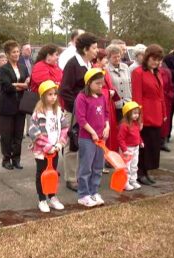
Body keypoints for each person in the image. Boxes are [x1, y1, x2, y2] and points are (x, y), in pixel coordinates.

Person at [60, 32, 98, 191]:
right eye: (94, 48)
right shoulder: (72, 64)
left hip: (88, 112)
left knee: (85, 144)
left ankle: (83, 175)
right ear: (85, 49)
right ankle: (70, 178)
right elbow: (64, 90)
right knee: (73, 144)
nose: (97, 51)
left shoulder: (89, 64)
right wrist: (78, 105)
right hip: (74, 112)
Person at [29, 80, 68, 213]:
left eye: (55, 94)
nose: (53, 97)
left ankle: (52, 197)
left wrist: (59, 143)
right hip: (42, 151)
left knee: (52, 174)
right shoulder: (38, 113)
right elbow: (34, 132)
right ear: (43, 96)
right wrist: (47, 146)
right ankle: (42, 199)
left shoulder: (58, 111)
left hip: (55, 149)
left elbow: (64, 127)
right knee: (42, 174)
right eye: (49, 94)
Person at [131, 44, 166, 186]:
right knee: (143, 145)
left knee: (153, 145)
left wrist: (164, 112)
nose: (156, 62)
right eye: (153, 58)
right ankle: (140, 172)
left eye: (158, 59)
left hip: (157, 113)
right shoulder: (138, 72)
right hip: (145, 113)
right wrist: (139, 117)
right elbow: (137, 97)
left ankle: (146, 171)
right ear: (147, 57)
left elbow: (161, 95)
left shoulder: (157, 72)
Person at [76, 68, 109, 207]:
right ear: (89, 83)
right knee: (86, 167)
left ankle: (94, 191)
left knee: (98, 166)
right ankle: (83, 194)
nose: (100, 86)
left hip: (101, 138)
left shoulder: (102, 97)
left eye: (102, 83)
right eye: (97, 83)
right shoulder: (82, 97)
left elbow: (106, 114)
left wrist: (107, 127)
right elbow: (81, 119)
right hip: (87, 138)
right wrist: (93, 133)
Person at [0, 40, 30, 170]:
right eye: (13, 52)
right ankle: (6, 159)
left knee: (18, 134)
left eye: (17, 51)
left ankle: (16, 159)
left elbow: (28, 81)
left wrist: (17, 85)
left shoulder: (23, 67)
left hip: (20, 105)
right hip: (7, 106)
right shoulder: (4, 69)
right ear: (7, 54)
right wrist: (20, 85)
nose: (16, 54)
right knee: (7, 135)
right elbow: (7, 87)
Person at [117, 101, 144, 191]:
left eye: (138, 113)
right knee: (126, 167)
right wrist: (124, 150)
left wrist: (140, 142)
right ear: (128, 114)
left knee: (134, 165)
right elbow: (120, 139)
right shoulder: (124, 125)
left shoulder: (136, 123)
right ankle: (125, 182)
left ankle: (133, 180)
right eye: (134, 113)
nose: (137, 115)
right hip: (127, 149)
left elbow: (137, 134)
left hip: (135, 148)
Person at [106, 44, 132, 122]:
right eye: (114, 57)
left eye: (119, 56)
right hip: (115, 106)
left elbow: (130, 84)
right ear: (109, 57)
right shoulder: (106, 70)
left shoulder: (125, 67)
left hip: (128, 103)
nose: (117, 59)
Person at [159, 62, 174, 152]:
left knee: (166, 122)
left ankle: (163, 141)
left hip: (166, 99)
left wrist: (170, 95)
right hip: (155, 100)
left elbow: (170, 85)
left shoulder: (166, 71)